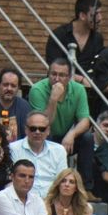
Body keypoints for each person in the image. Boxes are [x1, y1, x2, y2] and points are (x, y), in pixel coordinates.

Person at [25, 56, 90, 184]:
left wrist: (72, 134)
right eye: (53, 74)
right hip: (45, 135)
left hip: (66, 137)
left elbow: (85, 121)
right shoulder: (37, 89)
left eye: (62, 75)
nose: (57, 79)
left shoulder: (79, 89)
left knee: (87, 138)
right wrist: (53, 99)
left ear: (69, 77)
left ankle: (86, 187)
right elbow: (43, 124)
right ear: (48, 74)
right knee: (43, 134)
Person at [7, 110, 66, 199]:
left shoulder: (59, 150)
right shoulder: (13, 148)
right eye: (33, 128)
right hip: (24, 198)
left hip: (52, 199)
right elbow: (15, 179)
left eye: (42, 129)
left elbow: (62, 179)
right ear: (26, 130)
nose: (37, 132)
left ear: (48, 131)